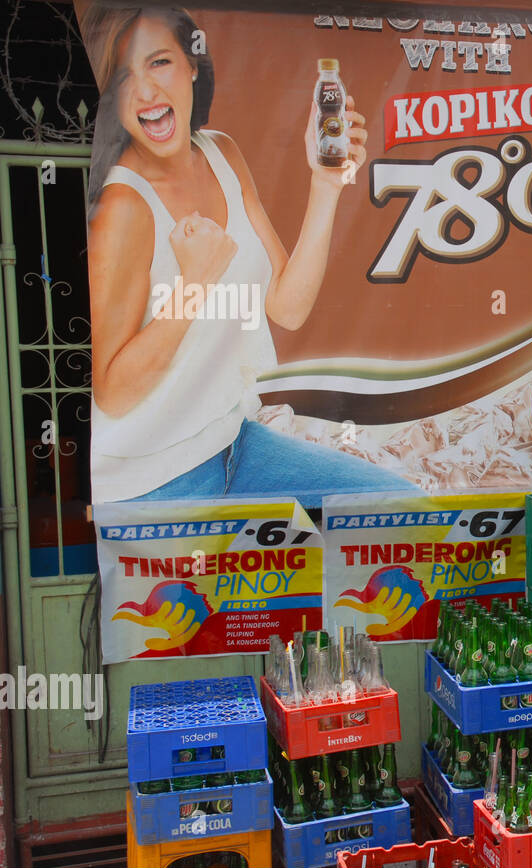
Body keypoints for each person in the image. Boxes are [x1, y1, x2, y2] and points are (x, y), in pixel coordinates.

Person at [83, 5, 418, 507]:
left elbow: (287, 307)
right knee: (277, 585)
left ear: (192, 65)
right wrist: (194, 284)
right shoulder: (125, 204)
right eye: (125, 76)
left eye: (159, 63)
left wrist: (325, 183)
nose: (146, 92)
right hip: (157, 476)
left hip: (234, 444)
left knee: (396, 502)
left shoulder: (221, 153)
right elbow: (112, 391)